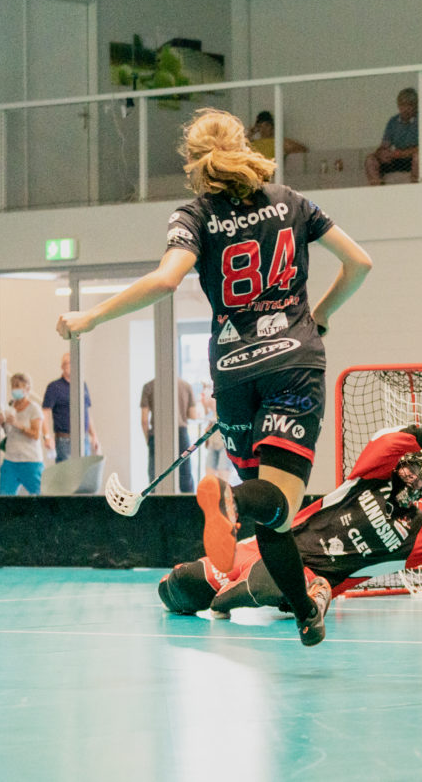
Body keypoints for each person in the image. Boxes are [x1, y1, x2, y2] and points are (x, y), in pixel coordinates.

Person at [56, 107, 373, 647]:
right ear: (243, 145)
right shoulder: (291, 202)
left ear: (192, 161)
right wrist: (319, 316)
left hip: (231, 375)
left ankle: (303, 613)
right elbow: (359, 263)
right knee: (277, 504)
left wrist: (89, 317)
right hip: (293, 365)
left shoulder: (194, 216)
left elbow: (166, 280)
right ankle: (229, 503)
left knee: (269, 512)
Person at [158, 424, 422, 617]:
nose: (411, 478)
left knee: (266, 582)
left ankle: (232, 597)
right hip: (275, 543)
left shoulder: (418, 530)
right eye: (409, 468)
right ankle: (218, 588)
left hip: (308, 577)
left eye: (419, 478)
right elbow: (389, 440)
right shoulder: (370, 477)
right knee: (181, 584)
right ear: (397, 466)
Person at [140, 376, 200, 492]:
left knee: (155, 477)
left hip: (157, 434)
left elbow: (144, 420)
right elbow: (193, 415)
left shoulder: (149, 386)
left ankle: (156, 507)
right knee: (185, 475)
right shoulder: (185, 386)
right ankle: (186, 508)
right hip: (181, 433)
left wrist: (148, 439)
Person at [41, 352, 99, 462]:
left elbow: (86, 412)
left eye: (73, 363)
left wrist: (94, 435)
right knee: (67, 476)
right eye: (68, 363)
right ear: (62, 367)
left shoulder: (82, 385)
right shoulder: (54, 387)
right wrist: (47, 437)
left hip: (84, 439)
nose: (71, 365)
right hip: (64, 440)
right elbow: (45, 412)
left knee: (84, 475)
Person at [0, 372, 44, 495]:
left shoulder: (34, 409)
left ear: (27, 389)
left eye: (18, 386)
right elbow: (8, 431)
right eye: (13, 386)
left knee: (39, 497)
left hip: (30, 461)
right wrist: (2, 422)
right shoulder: (10, 407)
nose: (14, 389)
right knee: (4, 497)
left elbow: (36, 434)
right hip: (11, 460)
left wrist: (18, 424)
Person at [364, 88, 422, 186]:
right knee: (370, 160)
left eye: (409, 105)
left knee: (418, 157)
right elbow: (384, 145)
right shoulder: (393, 121)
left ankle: (415, 190)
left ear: (416, 106)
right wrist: (381, 153)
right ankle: (377, 193)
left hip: (412, 158)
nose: (405, 109)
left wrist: (399, 154)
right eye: (402, 105)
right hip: (398, 159)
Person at [199, 380, 231, 482]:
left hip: (224, 440)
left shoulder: (220, 394)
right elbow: (207, 413)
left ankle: (224, 496)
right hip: (214, 439)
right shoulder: (211, 398)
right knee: (210, 472)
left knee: (223, 473)